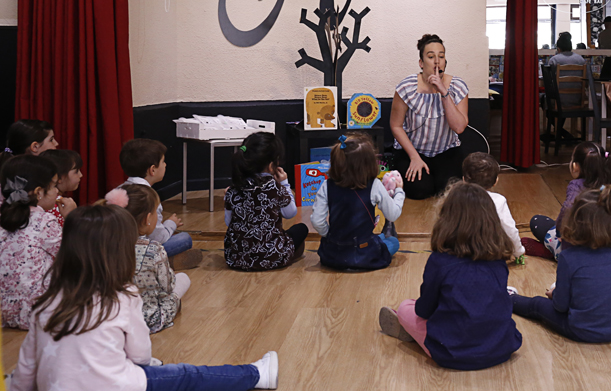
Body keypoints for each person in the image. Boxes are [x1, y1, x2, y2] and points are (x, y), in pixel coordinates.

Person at [8, 204, 279, 391]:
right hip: (123, 384)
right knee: (188, 375)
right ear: (120, 253)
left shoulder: (45, 303)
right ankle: (256, 373)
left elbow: (25, 374)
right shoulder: (123, 297)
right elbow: (140, 356)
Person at [378, 182, 522, 370]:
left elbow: (424, 310)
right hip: (501, 348)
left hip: (453, 353)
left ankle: (411, 332)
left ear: (446, 220)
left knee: (406, 307)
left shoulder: (440, 261)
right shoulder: (498, 260)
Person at [511, 186, 611, 343]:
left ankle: (509, 297)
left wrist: (554, 294)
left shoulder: (569, 258)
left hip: (581, 330)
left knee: (537, 305)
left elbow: (560, 306)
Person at [103, 183, 191, 333]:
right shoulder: (154, 249)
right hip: (150, 319)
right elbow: (168, 287)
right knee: (183, 278)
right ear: (147, 219)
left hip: (113, 318)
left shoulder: (102, 245)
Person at [0, 155, 76, 329]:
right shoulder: (44, 221)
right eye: (54, 186)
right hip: (37, 311)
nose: (57, 192)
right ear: (39, 192)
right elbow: (72, 255)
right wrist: (71, 218)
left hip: (4, 311)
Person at [391, 34, 469, 200]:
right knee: (419, 190)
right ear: (421, 63)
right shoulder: (406, 87)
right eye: (431, 56)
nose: (437, 62)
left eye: (441, 56)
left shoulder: (457, 86)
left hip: (446, 150)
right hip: (413, 150)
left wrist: (444, 92)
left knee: (448, 191)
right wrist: (414, 157)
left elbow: (459, 127)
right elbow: (396, 125)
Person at [312, 134, 405, 271]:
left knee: (378, 238)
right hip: (365, 254)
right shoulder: (374, 185)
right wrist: (399, 191)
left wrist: (330, 236)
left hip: (333, 255)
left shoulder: (327, 185)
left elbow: (317, 221)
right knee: (393, 242)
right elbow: (393, 214)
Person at [224, 132, 308, 271]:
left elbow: (229, 223)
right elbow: (290, 213)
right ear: (271, 165)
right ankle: (289, 255)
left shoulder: (232, 190)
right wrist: (284, 183)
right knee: (301, 229)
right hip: (272, 257)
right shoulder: (274, 187)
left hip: (237, 259)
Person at [527, 142, 611, 260]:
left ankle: (550, 251)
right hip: (604, 249)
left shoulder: (576, 185)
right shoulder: (608, 187)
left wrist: (560, 233)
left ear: (575, 166)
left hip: (576, 253)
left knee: (537, 221)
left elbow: (566, 210)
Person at [118, 139, 201, 270]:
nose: (165, 165)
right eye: (163, 162)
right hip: (138, 252)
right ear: (152, 170)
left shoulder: (118, 190)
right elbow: (158, 238)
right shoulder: (149, 197)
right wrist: (171, 224)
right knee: (185, 238)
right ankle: (162, 263)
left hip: (116, 250)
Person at [461, 152, 525, 260]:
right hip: (488, 254)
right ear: (496, 181)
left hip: (459, 251)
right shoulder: (498, 201)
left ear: (464, 180)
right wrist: (518, 252)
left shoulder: (455, 198)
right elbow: (510, 230)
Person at [39, 149, 83, 228]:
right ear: (59, 177)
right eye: (76, 171)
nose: (81, 175)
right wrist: (72, 215)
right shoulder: (54, 205)